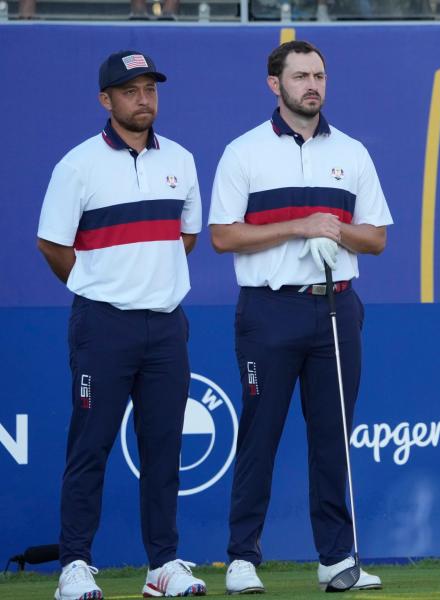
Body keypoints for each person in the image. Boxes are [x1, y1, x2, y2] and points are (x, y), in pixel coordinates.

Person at [209, 40, 392, 595]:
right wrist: (299, 225)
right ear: (275, 84)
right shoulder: (244, 152)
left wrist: (333, 227)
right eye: (300, 76)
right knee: (259, 435)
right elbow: (222, 235)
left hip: (336, 306)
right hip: (270, 309)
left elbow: (377, 237)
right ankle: (243, 558)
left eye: (319, 75)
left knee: (333, 438)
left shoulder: (353, 152)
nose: (312, 85)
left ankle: (337, 559)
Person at [37, 50, 206, 599]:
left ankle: (163, 565)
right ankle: (75, 564)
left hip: (165, 328)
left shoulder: (180, 158)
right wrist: (100, 287)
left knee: (163, 449)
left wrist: (150, 284)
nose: (144, 99)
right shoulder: (77, 165)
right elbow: (53, 244)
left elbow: (187, 236)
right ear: (105, 100)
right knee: (91, 447)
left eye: (150, 89)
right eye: (131, 91)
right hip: (103, 326)